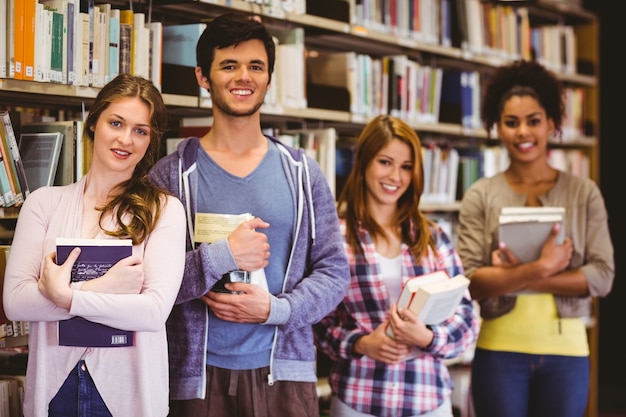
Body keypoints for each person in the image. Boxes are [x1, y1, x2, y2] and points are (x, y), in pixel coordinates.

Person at [147, 12, 350, 417]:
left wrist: (278, 310)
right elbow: (149, 277)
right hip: (195, 378)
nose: (244, 77)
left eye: (255, 66)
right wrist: (219, 256)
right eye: (229, 65)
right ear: (203, 77)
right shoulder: (170, 175)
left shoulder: (302, 173)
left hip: (285, 377)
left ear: (269, 78)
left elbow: (334, 271)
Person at [2, 74, 187, 417]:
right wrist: (103, 289)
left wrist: (66, 296)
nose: (125, 139)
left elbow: (152, 311)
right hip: (56, 386)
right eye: (115, 123)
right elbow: (15, 303)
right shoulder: (44, 204)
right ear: (93, 125)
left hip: (126, 391)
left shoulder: (165, 211)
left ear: (151, 140)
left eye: (140, 130)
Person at [457, 60, 615, 417]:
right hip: (499, 351)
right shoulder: (481, 195)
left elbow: (603, 276)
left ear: (552, 123)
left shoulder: (583, 192)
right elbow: (470, 283)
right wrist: (543, 267)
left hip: (567, 354)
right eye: (511, 123)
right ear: (497, 127)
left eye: (533, 121)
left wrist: (516, 275)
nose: (523, 132)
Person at [314, 115, 480, 417]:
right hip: (359, 400)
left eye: (406, 167)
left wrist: (427, 338)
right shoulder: (334, 238)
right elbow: (317, 324)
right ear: (363, 163)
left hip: (427, 401)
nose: (395, 177)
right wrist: (362, 343)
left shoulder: (434, 238)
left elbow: (467, 321)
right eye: (385, 162)